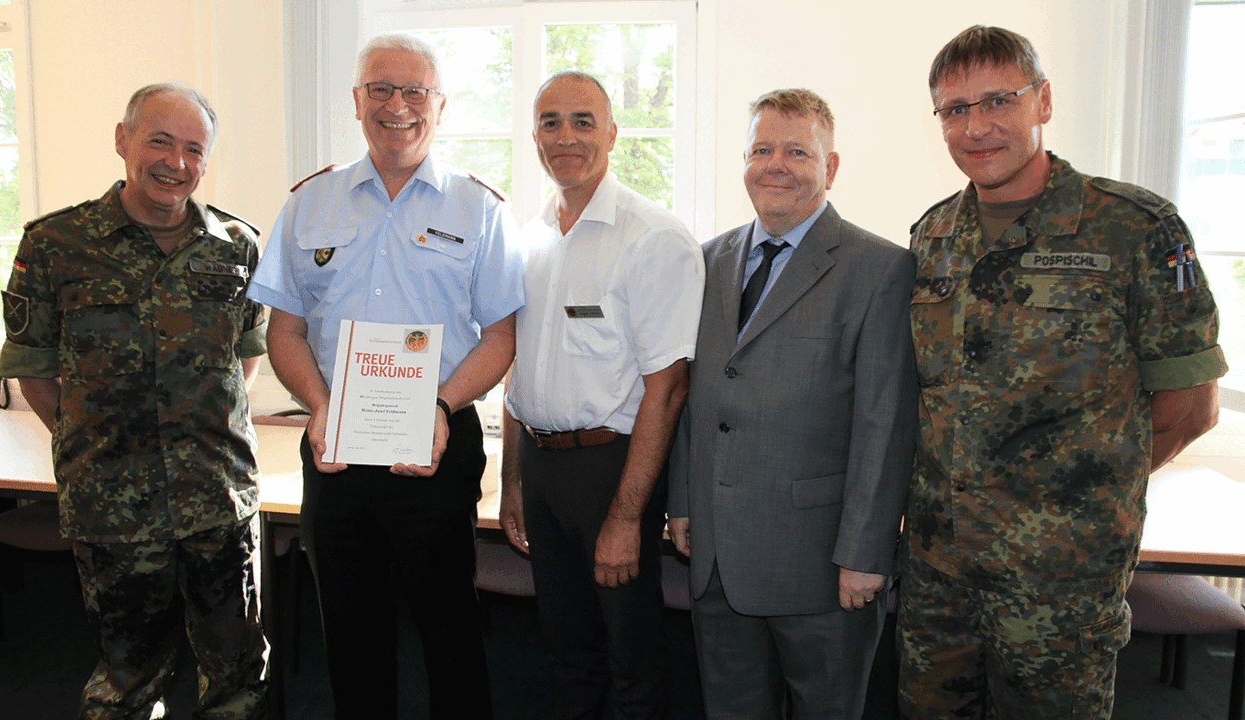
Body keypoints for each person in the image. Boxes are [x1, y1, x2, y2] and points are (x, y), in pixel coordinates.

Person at [898, 25, 1227, 719]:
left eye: (998, 100)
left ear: (1042, 102)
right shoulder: (930, 238)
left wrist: (1081, 501)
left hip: (1060, 583)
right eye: (955, 109)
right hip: (938, 577)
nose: (977, 126)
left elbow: (1191, 407)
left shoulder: (1134, 229)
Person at [246, 33, 523, 719]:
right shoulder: (311, 204)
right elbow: (284, 331)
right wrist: (317, 405)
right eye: (381, 89)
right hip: (335, 450)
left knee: (449, 627)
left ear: (440, 104)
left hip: (436, 442)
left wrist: (439, 405)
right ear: (357, 99)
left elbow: (501, 338)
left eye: (414, 91)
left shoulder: (478, 209)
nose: (398, 105)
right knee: (349, 629)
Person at [0, 83, 270, 719]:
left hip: (218, 498)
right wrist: (94, 439)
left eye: (194, 149)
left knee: (236, 674)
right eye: (159, 141)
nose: (177, 162)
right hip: (113, 502)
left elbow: (247, 356)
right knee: (127, 678)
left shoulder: (237, 245)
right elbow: (35, 370)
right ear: (123, 142)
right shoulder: (56, 245)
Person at [667, 88, 917, 719]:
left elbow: (884, 425)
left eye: (797, 150)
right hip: (717, 555)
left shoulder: (879, 269)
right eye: (761, 149)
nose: (775, 164)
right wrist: (682, 502)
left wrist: (867, 554)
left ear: (830, 168)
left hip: (822, 564)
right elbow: (693, 394)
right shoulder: (708, 260)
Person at [500, 71, 705, 720]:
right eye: (550, 122)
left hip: (612, 469)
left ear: (612, 134)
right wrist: (509, 480)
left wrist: (623, 519)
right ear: (534, 136)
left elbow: (668, 390)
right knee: (565, 648)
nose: (566, 136)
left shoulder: (652, 237)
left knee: (631, 654)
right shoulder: (528, 239)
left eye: (583, 121)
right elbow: (516, 369)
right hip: (540, 464)